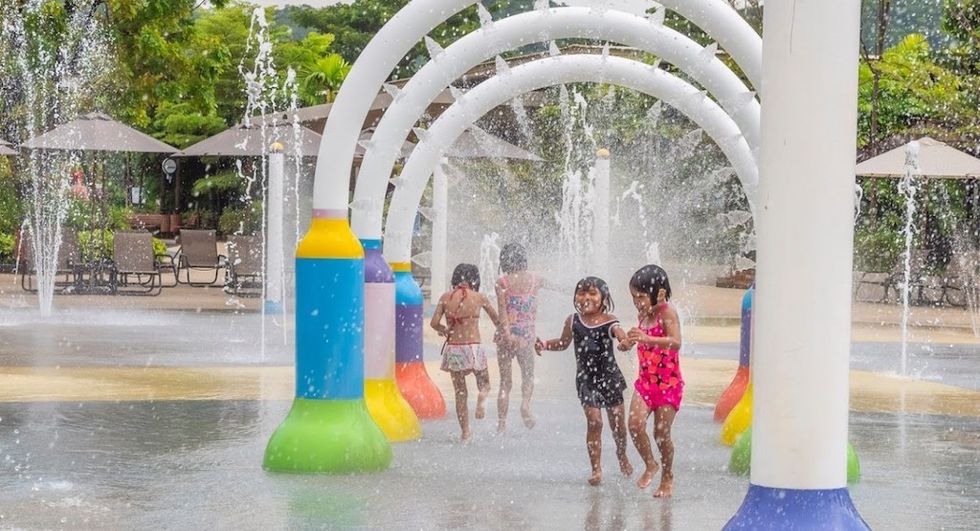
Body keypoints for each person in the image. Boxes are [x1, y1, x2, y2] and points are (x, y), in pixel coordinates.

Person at [535, 276, 633, 486]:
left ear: (603, 298)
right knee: (595, 421)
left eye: (592, 293)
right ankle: (596, 469)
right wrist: (544, 344)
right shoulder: (573, 321)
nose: (585, 297)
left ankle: (621, 453)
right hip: (586, 380)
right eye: (581, 293)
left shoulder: (609, 320)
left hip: (610, 378)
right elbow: (562, 343)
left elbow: (620, 335)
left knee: (618, 426)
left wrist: (625, 342)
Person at [624, 264, 683, 498]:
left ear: (658, 293)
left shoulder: (667, 312)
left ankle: (667, 476)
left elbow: (676, 342)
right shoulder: (643, 314)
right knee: (635, 425)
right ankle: (651, 463)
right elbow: (642, 340)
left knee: (661, 434)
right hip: (646, 383)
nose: (637, 301)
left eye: (640, 296)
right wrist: (629, 342)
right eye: (633, 297)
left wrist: (647, 337)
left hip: (668, 384)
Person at [430, 263, 503, 442]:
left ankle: (465, 432)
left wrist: (444, 330)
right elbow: (497, 321)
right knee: (485, 384)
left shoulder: (445, 297)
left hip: (454, 348)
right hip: (474, 348)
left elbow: (433, 323)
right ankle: (482, 397)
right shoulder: (479, 297)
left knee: (460, 392)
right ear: (475, 280)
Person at [494, 243, 543, 432]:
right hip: (526, 336)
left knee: (505, 382)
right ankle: (525, 405)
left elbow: (502, 313)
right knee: (528, 376)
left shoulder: (503, 282)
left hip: (506, 337)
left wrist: (507, 334)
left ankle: (501, 424)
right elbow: (559, 287)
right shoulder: (535, 280)